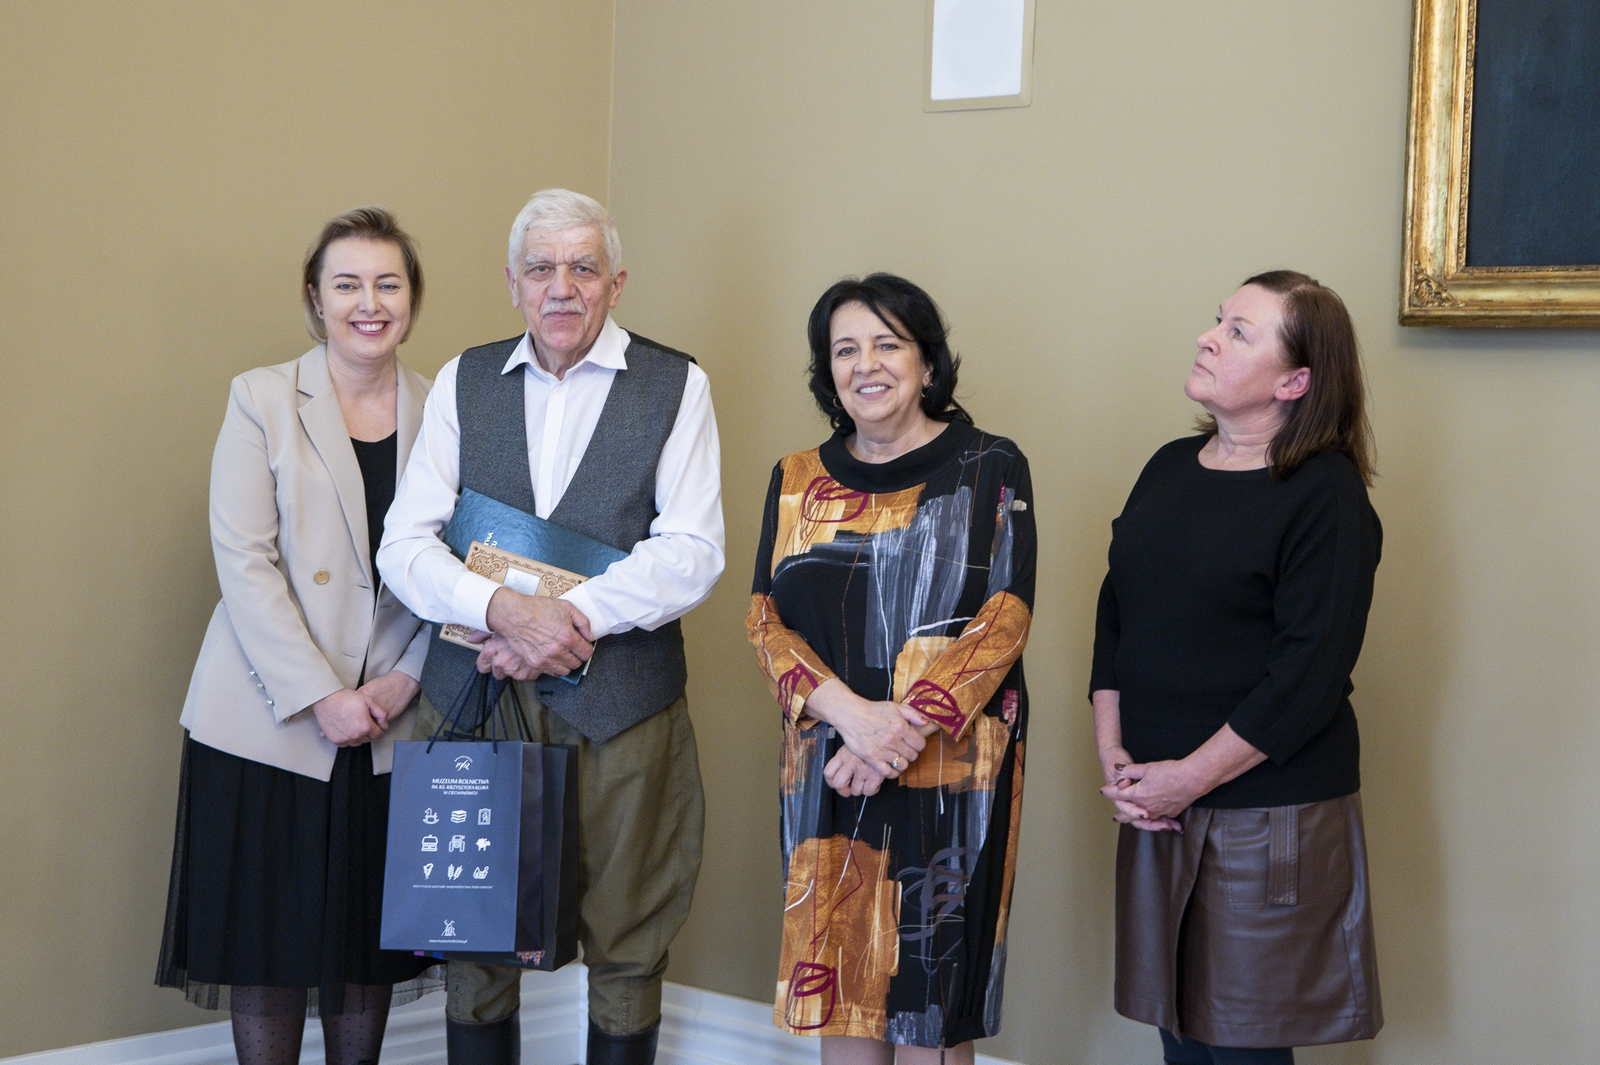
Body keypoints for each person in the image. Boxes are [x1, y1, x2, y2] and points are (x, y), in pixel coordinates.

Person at [377, 188, 723, 1065]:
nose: (560, 286)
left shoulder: (677, 384)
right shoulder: (462, 381)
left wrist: (570, 618)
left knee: (630, 937)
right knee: (473, 935)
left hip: (624, 703)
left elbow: (693, 549)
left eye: (583, 267)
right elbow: (403, 545)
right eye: (541, 268)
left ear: (617, 282)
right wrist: (502, 611)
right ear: (512, 282)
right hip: (476, 698)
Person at [157, 207, 439, 1065]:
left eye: (387, 283)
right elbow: (244, 561)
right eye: (346, 284)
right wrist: (322, 695)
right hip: (270, 720)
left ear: (412, 298)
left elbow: (464, 567)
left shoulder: (448, 406)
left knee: (367, 949)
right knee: (268, 949)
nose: (368, 303)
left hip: (389, 719)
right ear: (316, 299)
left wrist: (402, 681)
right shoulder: (262, 397)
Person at [1091, 271, 1383, 1065]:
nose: (1208, 337)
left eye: (1239, 332)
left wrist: (1186, 779)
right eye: (1218, 320)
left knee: (1243, 1048)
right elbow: (1117, 610)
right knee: (1180, 1036)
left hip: (1264, 813)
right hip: (1155, 801)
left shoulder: (1326, 495)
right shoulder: (1168, 465)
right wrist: (1115, 755)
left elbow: (1306, 677)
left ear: (1295, 382)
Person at [746, 274, 1035, 1064]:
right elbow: (765, 620)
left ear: (927, 362)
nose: (865, 364)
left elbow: (1004, 616)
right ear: (828, 370)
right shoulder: (796, 476)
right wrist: (853, 718)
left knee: (931, 1001)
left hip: (950, 770)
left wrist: (892, 735)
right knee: (840, 980)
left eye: (887, 344)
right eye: (845, 349)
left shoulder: (991, 465)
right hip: (827, 765)